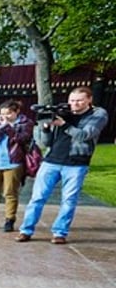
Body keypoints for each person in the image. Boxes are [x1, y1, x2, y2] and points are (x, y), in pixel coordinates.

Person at [17, 87, 110, 243]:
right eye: (72, 100)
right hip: (51, 160)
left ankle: (60, 233)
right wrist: (46, 128)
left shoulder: (97, 114)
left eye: (79, 100)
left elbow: (84, 135)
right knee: (37, 198)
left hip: (76, 163)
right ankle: (26, 230)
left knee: (69, 200)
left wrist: (63, 124)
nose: (75, 104)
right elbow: (46, 142)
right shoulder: (61, 112)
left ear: (89, 100)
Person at [0, 101, 33, 232]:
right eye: (2, 113)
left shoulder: (25, 123)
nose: (5, 116)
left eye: (9, 113)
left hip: (13, 162)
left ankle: (9, 219)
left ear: (17, 112)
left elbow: (22, 139)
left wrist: (7, 126)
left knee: (10, 192)